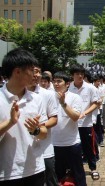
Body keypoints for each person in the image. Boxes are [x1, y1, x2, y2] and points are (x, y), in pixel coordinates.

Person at [0, 48, 48, 185]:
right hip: (7, 173)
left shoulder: (36, 99)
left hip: (35, 170)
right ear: (17, 71)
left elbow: (43, 133)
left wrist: (36, 130)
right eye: (31, 70)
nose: (36, 75)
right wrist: (10, 122)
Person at [52, 71, 86, 185]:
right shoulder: (48, 96)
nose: (56, 84)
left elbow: (75, 117)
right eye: (54, 81)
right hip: (54, 144)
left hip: (72, 143)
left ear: (67, 84)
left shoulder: (75, 97)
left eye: (59, 81)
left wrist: (63, 104)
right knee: (57, 175)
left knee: (78, 174)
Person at [27, 65, 59, 186]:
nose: (37, 75)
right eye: (33, 72)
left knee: (50, 178)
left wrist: (38, 127)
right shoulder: (18, 95)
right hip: (26, 150)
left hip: (45, 148)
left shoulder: (47, 94)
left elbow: (54, 119)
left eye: (39, 72)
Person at [68, 64, 100, 180]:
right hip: (71, 123)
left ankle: (93, 168)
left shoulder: (90, 88)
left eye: (82, 73)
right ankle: (73, 169)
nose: (80, 76)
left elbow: (95, 103)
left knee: (89, 147)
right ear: (72, 75)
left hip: (86, 124)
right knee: (73, 147)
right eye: (77, 74)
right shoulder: (68, 87)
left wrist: (85, 113)